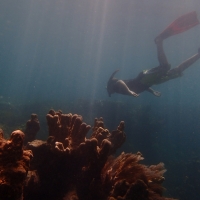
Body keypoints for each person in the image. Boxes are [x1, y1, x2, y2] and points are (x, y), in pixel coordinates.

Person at [107, 11, 200, 97]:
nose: (109, 92)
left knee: (165, 67)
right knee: (176, 71)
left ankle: (159, 42)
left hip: (145, 78)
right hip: (149, 81)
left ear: (111, 86)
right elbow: (141, 87)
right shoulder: (121, 90)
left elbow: (119, 82)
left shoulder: (118, 88)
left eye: (109, 90)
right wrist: (152, 92)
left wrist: (129, 92)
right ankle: (198, 55)